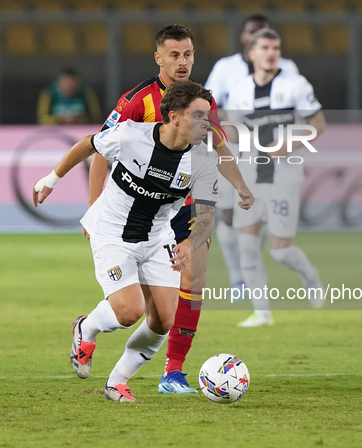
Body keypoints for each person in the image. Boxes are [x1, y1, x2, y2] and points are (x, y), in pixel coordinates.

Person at [88, 24, 254, 395]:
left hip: (185, 202)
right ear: (159, 57)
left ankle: (173, 372)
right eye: (175, 55)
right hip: (139, 210)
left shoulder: (199, 101)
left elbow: (219, 149)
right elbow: (99, 150)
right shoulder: (136, 101)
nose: (183, 62)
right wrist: (95, 207)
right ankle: (100, 339)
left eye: (189, 54)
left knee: (194, 277)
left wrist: (240, 186)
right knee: (148, 308)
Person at [33, 81, 219, 402]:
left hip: (158, 236)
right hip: (112, 233)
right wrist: (52, 178)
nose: (206, 124)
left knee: (163, 320)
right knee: (129, 311)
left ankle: (117, 382)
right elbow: (88, 145)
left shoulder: (203, 160)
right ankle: (86, 328)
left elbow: (206, 212)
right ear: (174, 117)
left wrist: (190, 242)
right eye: (198, 116)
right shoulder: (131, 135)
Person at [225, 27, 327, 328]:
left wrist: (289, 146)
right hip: (249, 175)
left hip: (284, 176)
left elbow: (318, 124)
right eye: (265, 48)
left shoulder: (295, 85)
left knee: (280, 251)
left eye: (276, 48)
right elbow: (234, 131)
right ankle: (262, 312)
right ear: (252, 54)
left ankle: (310, 277)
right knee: (246, 246)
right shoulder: (240, 90)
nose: (271, 53)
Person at [205, 14, 298, 295]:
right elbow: (209, 104)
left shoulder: (287, 68)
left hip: (267, 151)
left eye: (262, 32)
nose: (255, 37)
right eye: (251, 32)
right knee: (228, 214)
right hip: (231, 147)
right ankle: (238, 278)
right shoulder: (226, 68)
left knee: (259, 213)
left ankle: (250, 270)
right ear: (245, 38)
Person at [37, 67, 102, 125]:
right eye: (66, 81)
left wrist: (84, 119)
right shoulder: (48, 94)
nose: (69, 85)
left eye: (72, 82)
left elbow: (97, 117)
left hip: (82, 130)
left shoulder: (87, 93)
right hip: (55, 133)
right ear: (59, 82)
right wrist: (60, 120)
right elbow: (42, 119)